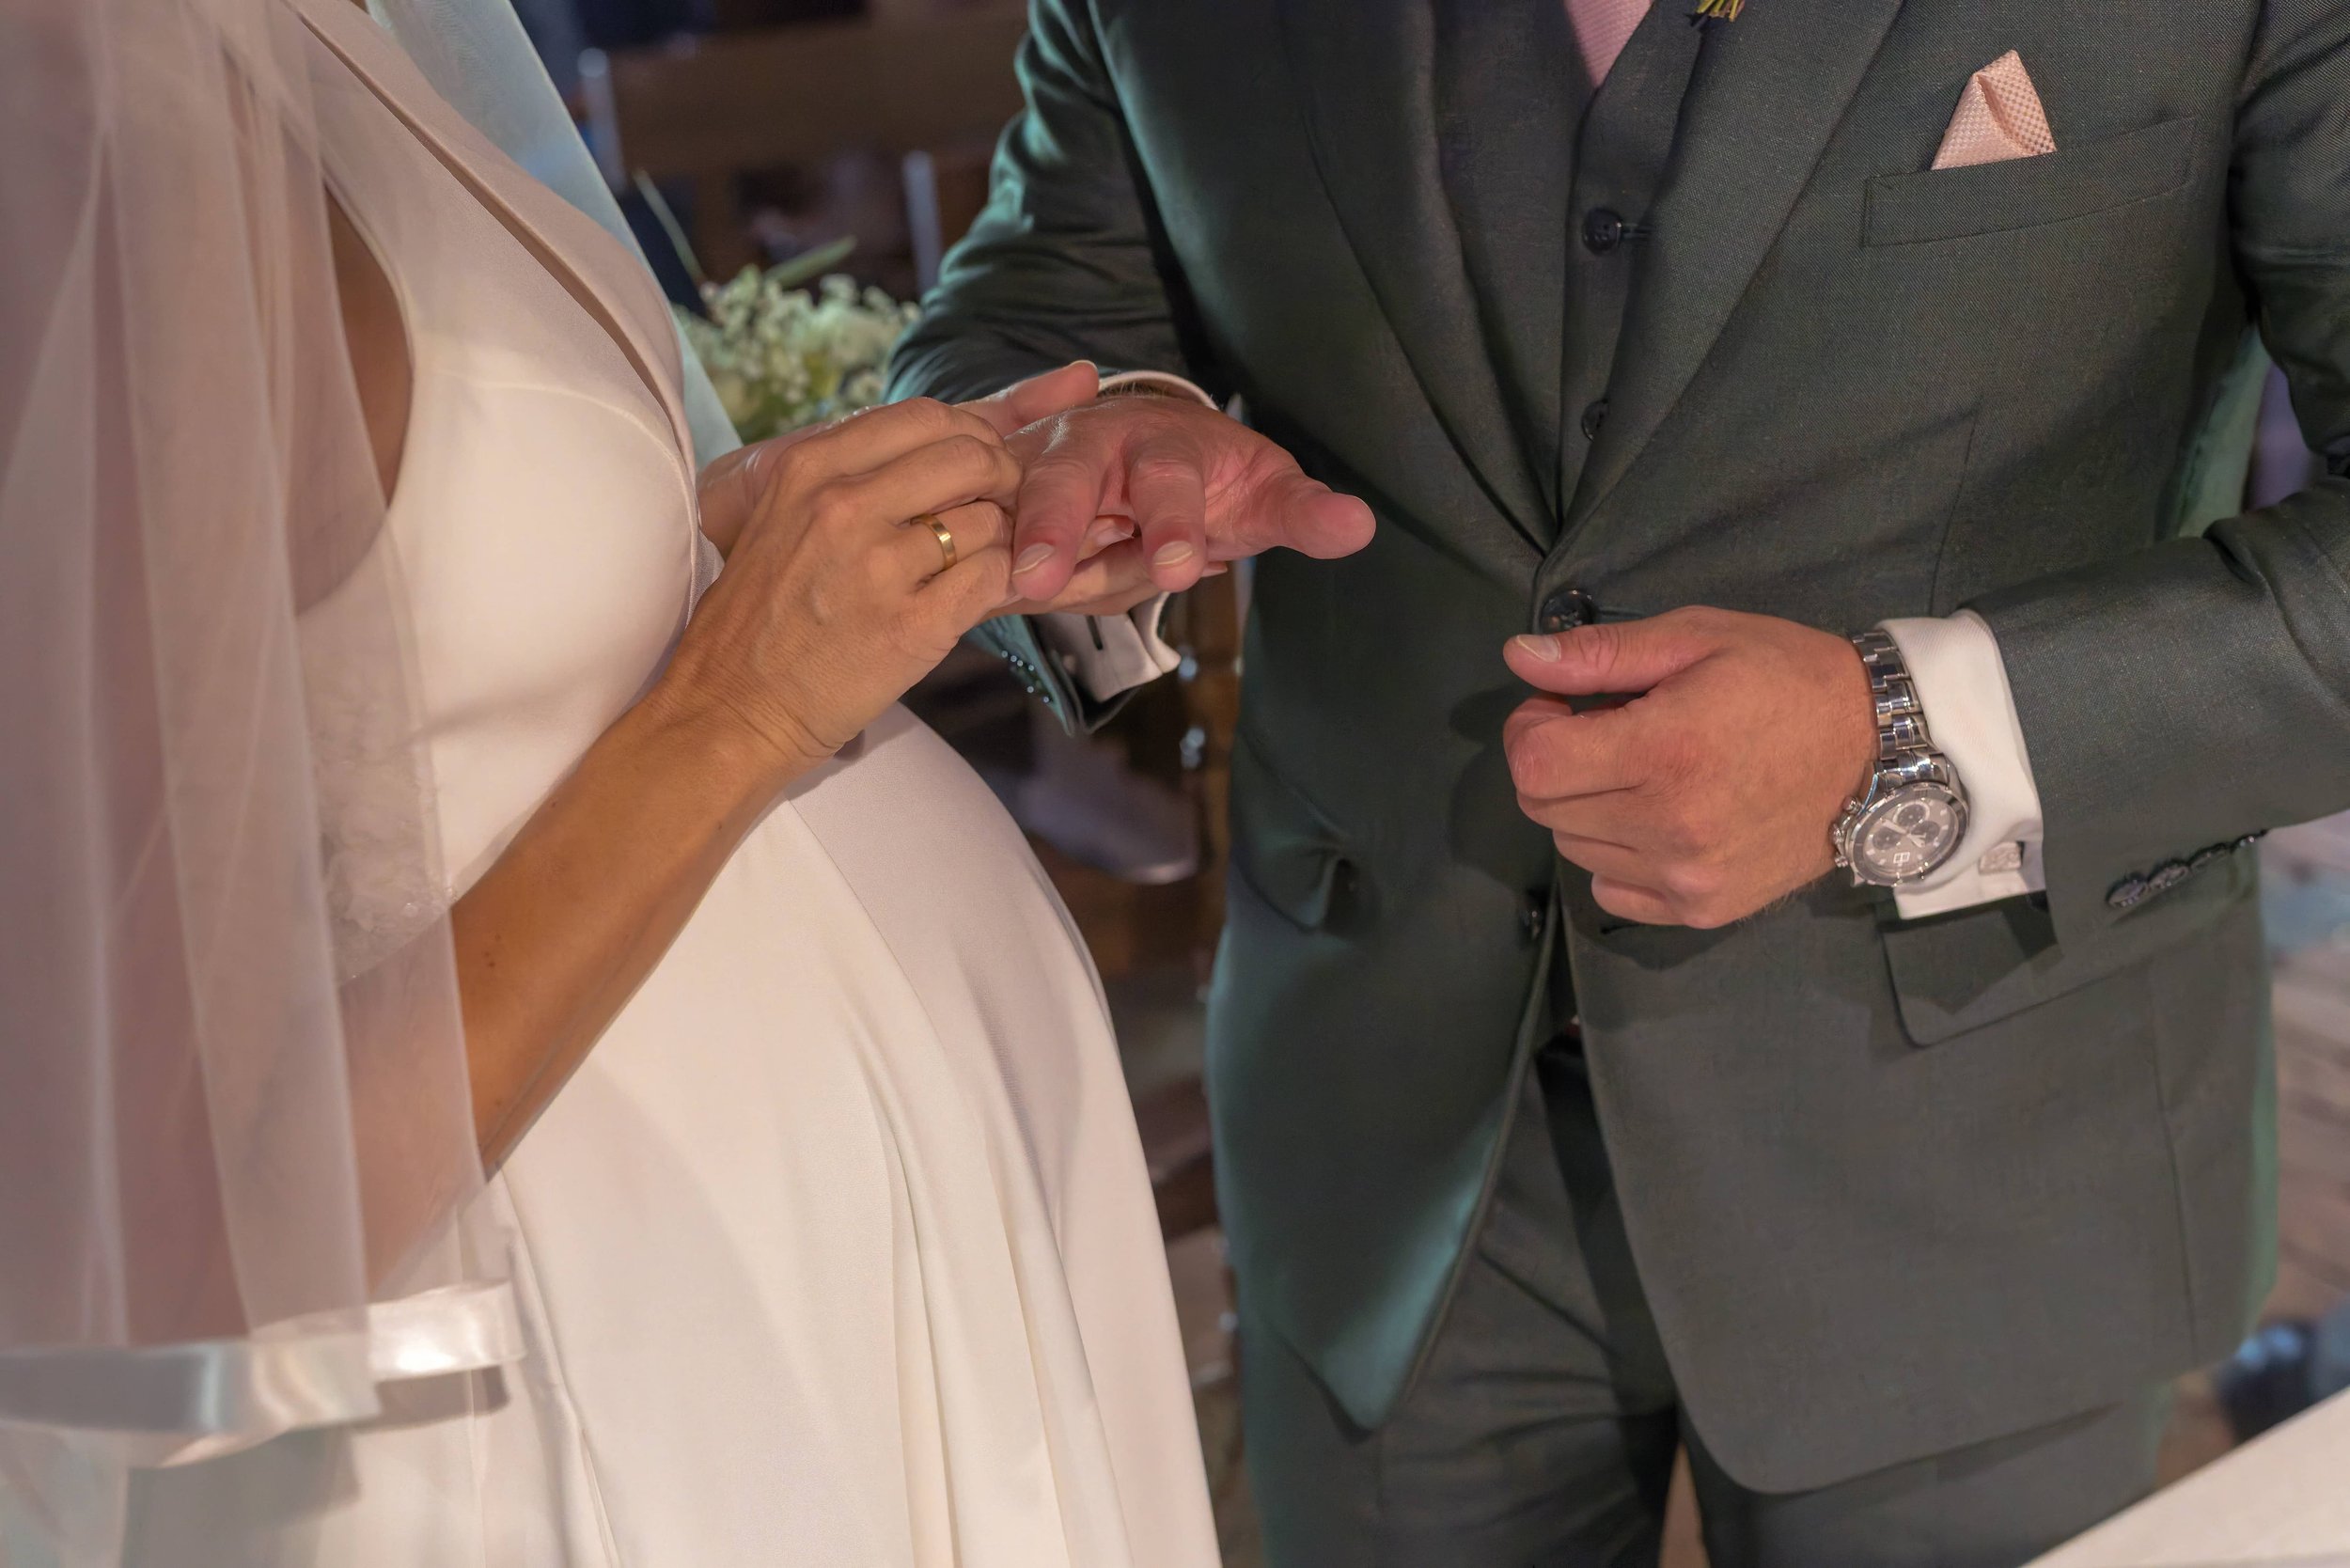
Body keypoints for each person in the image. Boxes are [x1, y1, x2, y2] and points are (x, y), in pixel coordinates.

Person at [888, 2, 2350, 1563]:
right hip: (1384, 1133)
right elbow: (1033, 295)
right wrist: (1093, 446)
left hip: (1988, 1136)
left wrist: (1898, 734)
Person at [0, 0, 1246, 1562]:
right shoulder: (86, 116)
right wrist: (743, 704)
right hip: (621, 1385)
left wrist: (800, 534)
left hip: (800, 1280)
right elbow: (166, 1258)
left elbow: (380, 627)